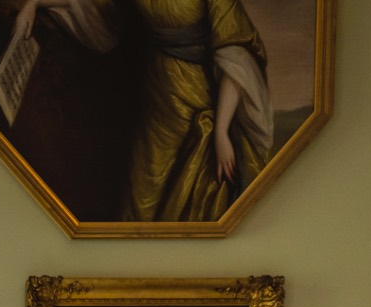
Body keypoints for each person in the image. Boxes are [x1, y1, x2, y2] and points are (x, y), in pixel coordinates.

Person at [14, 0, 272, 222]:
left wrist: (222, 132)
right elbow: (94, 6)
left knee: (198, 195)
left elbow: (236, 56)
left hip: (200, 106)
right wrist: (33, 3)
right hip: (156, 104)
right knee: (142, 196)